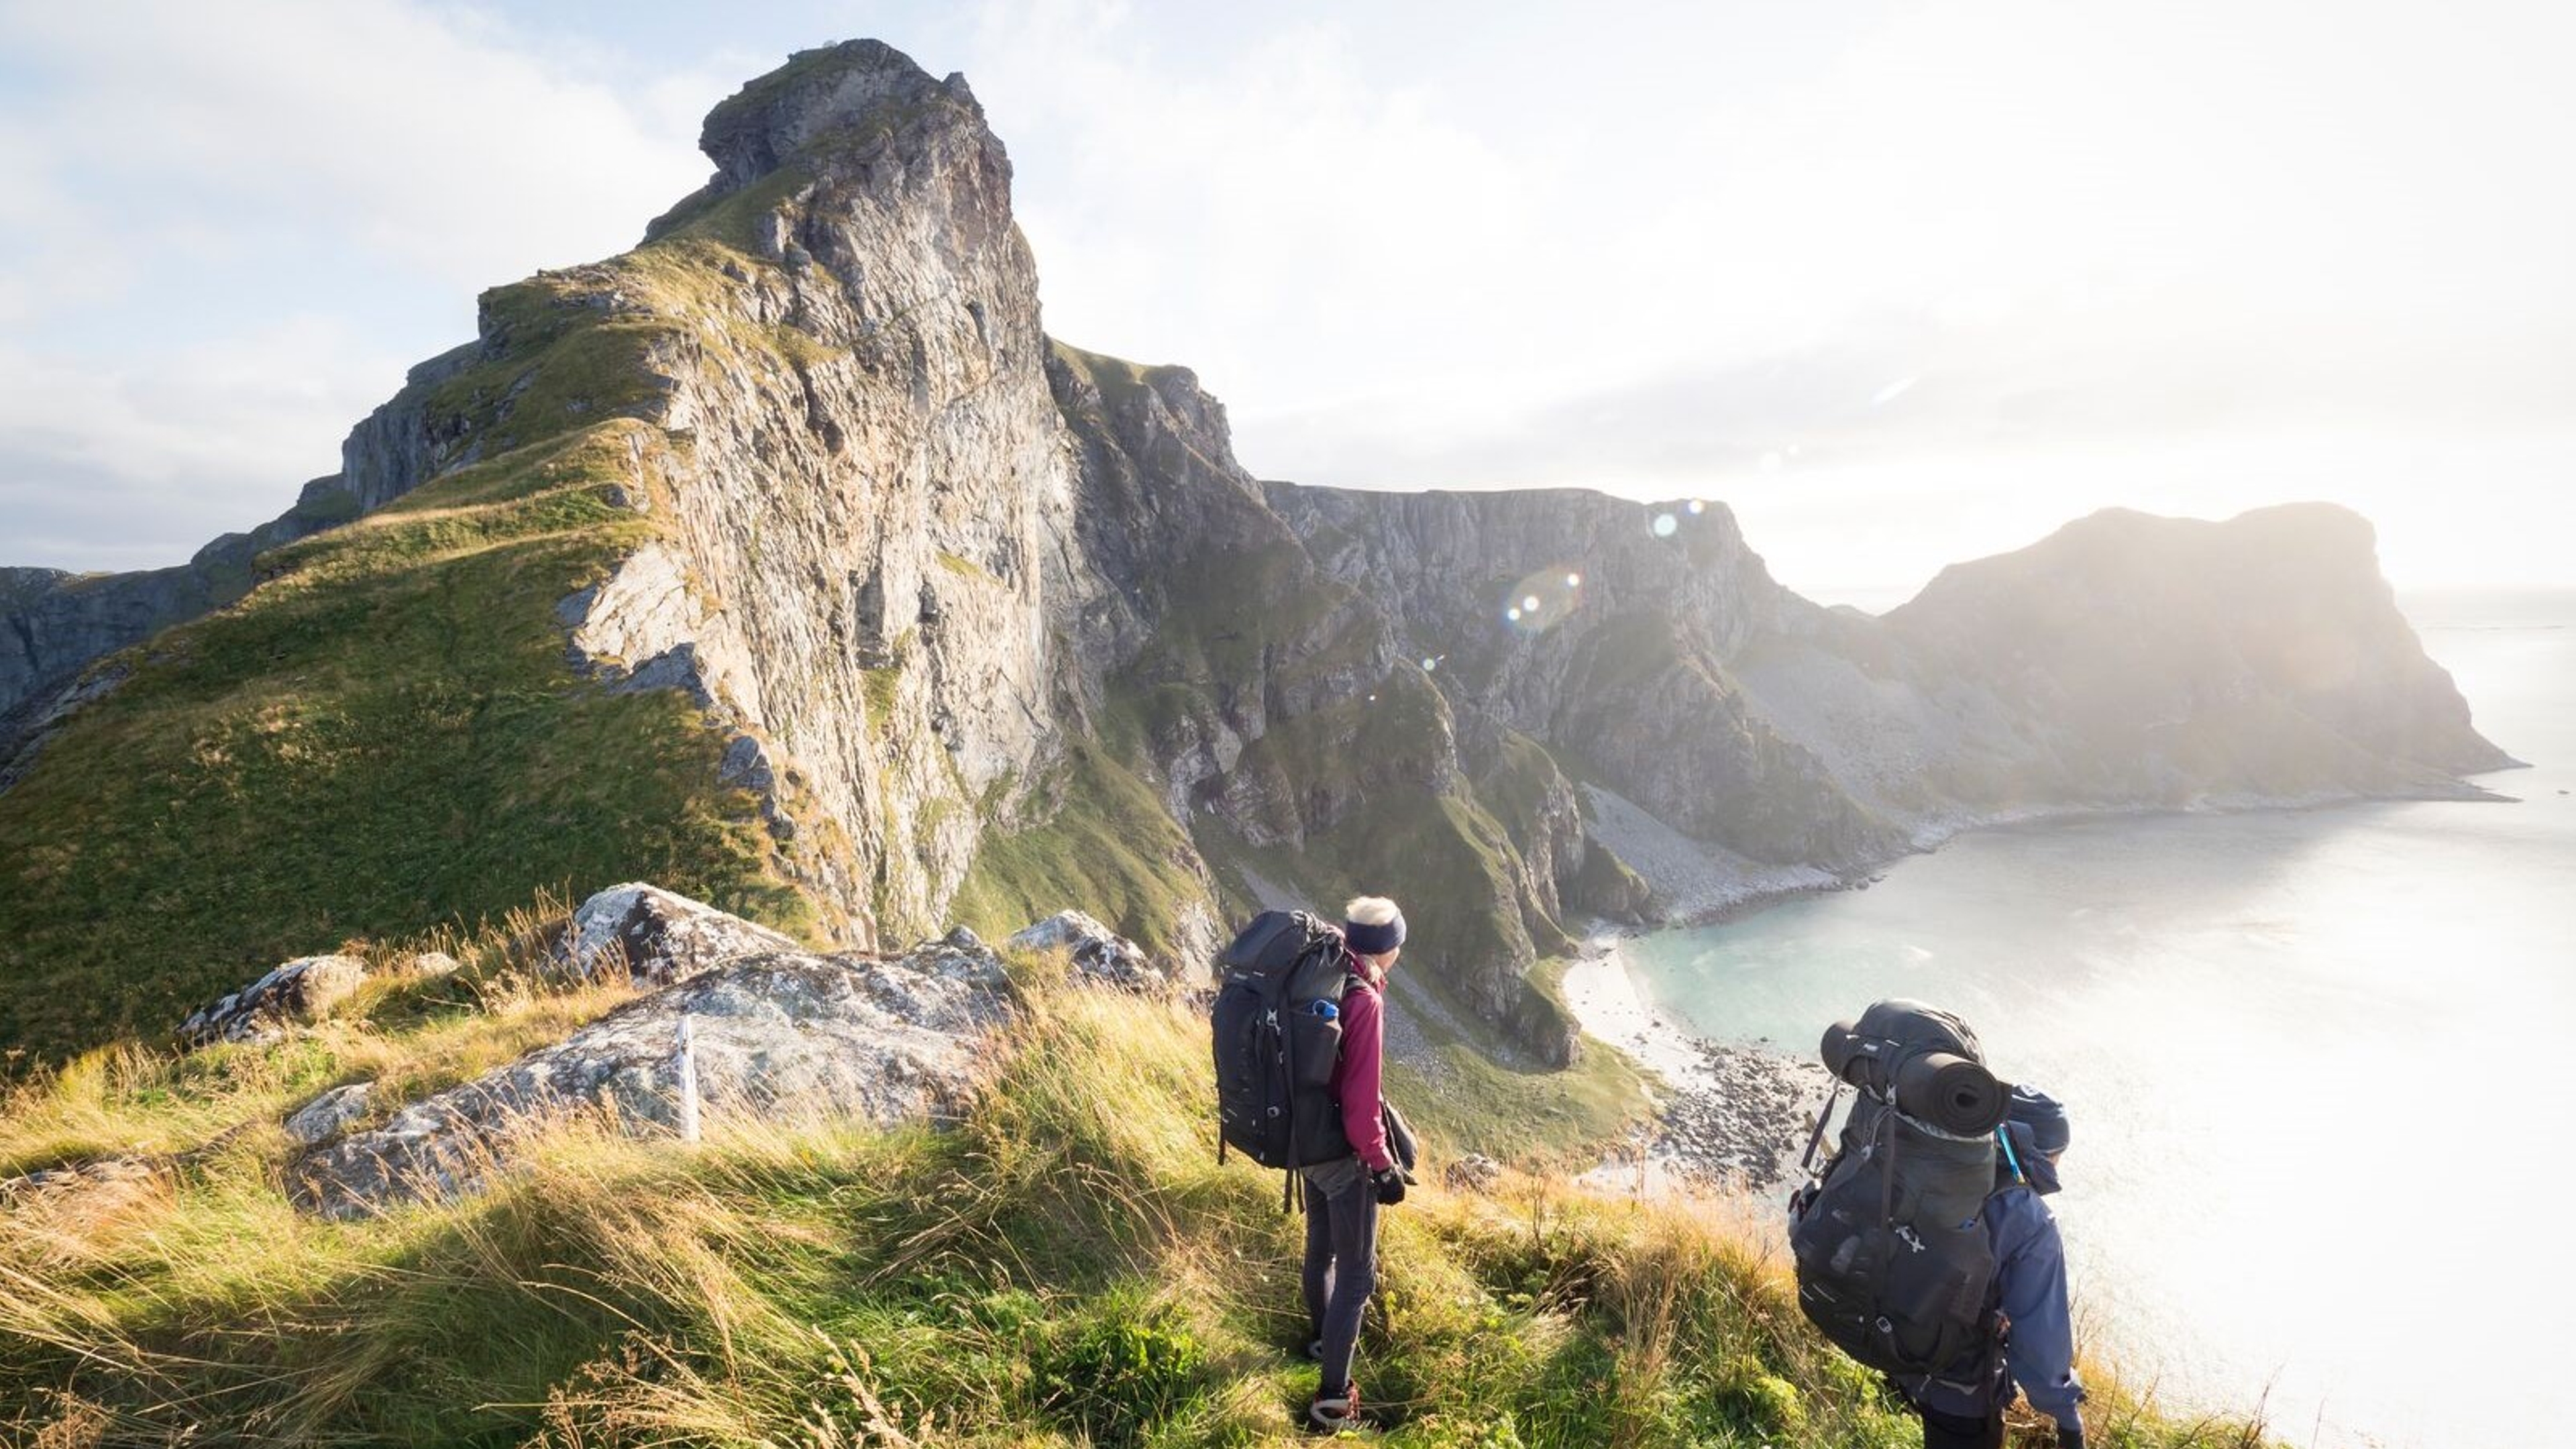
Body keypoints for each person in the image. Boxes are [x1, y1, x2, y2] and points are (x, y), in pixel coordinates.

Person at [1913, 1086, 2088, 1449]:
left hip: (1904, 1345)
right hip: (1961, 1385)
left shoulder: (1943, 1165)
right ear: (2044, 1153)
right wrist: (2068, 1416)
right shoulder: (2029, 1218)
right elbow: (2040, 1343)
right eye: (2060, 1154)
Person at [1302, 895, 1411, 1434]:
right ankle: (1332, 1403)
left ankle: (1323, 1341)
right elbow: (1362, 1104)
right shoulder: (1363, 1001)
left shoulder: (1324, 972)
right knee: (1357, 1277)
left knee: (1319, 1247)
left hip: (1304, 1138)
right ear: (1387, 948)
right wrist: (1383, 1167)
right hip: (1342, 1155)